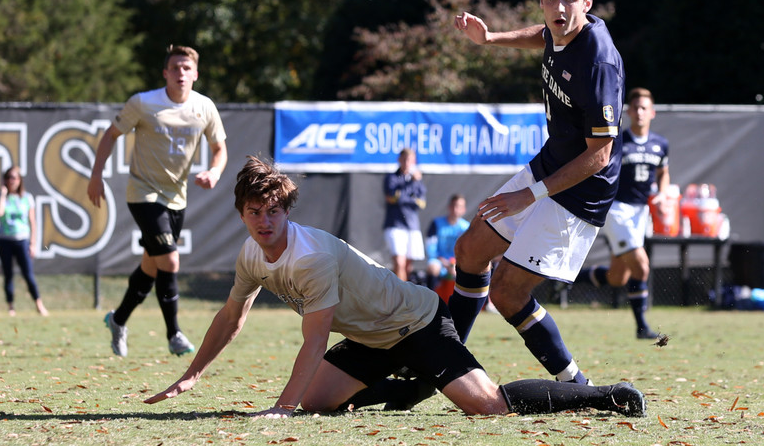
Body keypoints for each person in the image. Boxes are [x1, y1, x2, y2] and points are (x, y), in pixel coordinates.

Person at [142, 156, 646, 419]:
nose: (264, 221)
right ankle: (408, 387)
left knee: (489, 407)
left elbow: (314, 341)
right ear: (241, 215)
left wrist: (282, 408)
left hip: (418, 323)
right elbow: (231, 316)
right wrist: (191, 376)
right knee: (318, 402)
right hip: (370, 338)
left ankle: (601, 395)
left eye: (274, 211)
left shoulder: (311, 258)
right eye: (254, 212)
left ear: (287, 210)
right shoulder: (251, 254)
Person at [450, 0, 623, 386]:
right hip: (549, 164)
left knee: (507, 292)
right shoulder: (559, 29)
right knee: (469, 250)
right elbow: (544, 35)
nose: (559, 8)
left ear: (587, 2)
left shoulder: (598, 62)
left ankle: (578, 386)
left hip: (582, 190)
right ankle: (446, 358)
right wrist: (490, 38)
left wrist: (528, 195)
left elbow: (600, 155)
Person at [88, 44, 227, 357]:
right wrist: (96, 175)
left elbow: (220, 149)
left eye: (186, 68)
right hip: (143, 193)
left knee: (151, 266)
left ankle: (118, 319)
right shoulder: (143, 103)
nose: (181, 73)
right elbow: (111, 135)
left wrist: (215, 171)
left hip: (177, 197)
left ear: (196, 74)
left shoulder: (204, 107)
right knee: (171, 260)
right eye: (175, 68)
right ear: (165, 73)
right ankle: (174, 333)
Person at [574, 87, 668, 339]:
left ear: (652, 112)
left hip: (640, 213)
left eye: (644, 108)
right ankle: (642, 327)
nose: (639, 112)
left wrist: (662, 194)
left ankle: (568, 279)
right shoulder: (618, 140)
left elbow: (663, 172)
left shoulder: (660, 144)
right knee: (641, 267)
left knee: (618, 277)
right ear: (628, 112)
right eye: (635, 108)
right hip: (617, 210)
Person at [0, 166, 48, 317]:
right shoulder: (1, 196)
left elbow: (32, 221)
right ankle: (11, 306)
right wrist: (3, 194)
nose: (11, 181)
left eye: (14, 178)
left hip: (22, 240)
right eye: (8, 177)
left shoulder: (26, 197)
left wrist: (33, 243)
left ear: (19, 180)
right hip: (4, 240)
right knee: (8, 275)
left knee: (28, 274)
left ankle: (39, 304)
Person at [383, 148, 427, 282]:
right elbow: (392, 198)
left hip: (412, 226)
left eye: (410, 160)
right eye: (404, 159)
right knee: (399, 262)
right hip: (395, 225)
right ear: (399, 160)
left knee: (408, 266)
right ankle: (399, 292)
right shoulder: (391, 178)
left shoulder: (418, 180)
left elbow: (421, 203)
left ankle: (405, 292)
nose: (407, 163)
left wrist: (404, 195)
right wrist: (410, 188)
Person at [424, 194, 469, 297]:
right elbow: (431, 247)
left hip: (458, 264)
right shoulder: (436, 223)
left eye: (459, 206)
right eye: (453, 205)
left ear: (464, 210)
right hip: (439, 262)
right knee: (432, 267)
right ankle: (429, 299)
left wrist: (456, 264)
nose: (455, 209)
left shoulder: (466, 227)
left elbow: (468, 251)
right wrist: (444, 262)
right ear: (449, 207)